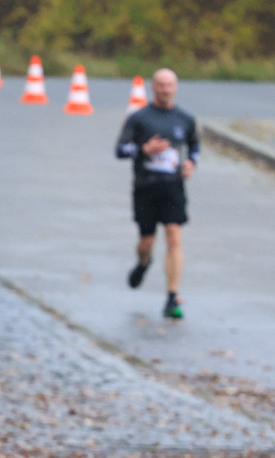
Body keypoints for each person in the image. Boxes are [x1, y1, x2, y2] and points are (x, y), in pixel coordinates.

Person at [115, 67, 199, 319]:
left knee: (174, 236)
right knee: (147, 241)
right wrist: (144, 150)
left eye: (170, 85)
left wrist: (191, 164)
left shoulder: (185, 118)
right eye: (161, 85)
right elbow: (120, 150)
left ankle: (172, 296)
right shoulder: (139, 118)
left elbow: (194, 146)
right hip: (146, 186)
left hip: (173, 187)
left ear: (175, 87)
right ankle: (143, 263)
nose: (165, 90)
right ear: (154, 87)